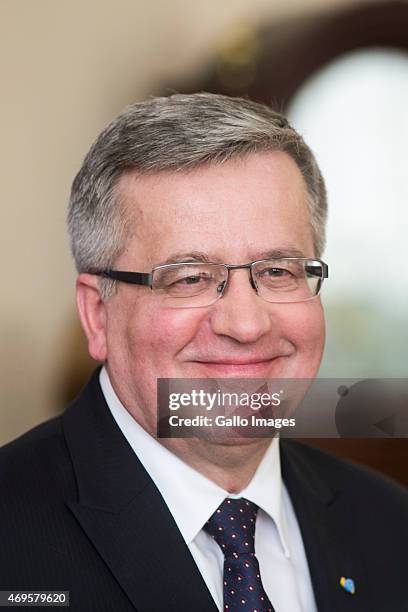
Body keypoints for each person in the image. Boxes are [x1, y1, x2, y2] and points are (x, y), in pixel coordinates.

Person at [0, 93, 406, 612]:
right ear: (97, 315)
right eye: (190, 278)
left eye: (278, 271)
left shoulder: (390, 525)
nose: (245, 324)